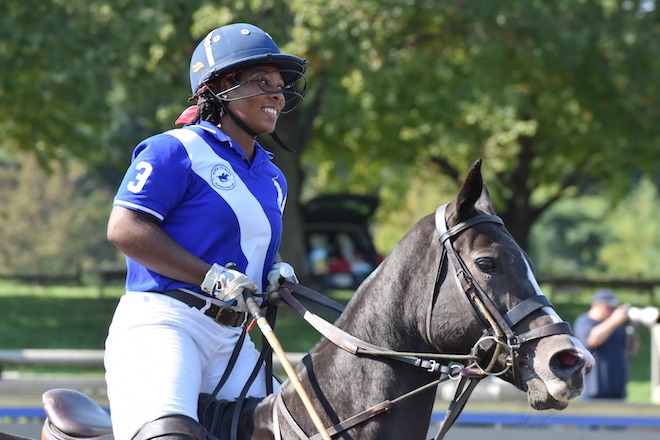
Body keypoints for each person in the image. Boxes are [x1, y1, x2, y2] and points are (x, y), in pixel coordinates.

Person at [104, 23, 307, 440]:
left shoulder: (272, 176)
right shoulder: (174, 149)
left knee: (294, 430)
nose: (277, 94)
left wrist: (276, 270)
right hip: (165, 323)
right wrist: (209, 276)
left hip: (234, 336)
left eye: (280, 86)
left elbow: (247, 246)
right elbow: (125, 228)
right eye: (263, 83)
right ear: (221, 88)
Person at [573, 289, 639, 400]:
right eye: (610, 308)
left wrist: (633, 328)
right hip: (594, 390)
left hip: (617, 390)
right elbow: (591, 340)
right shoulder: (584, 321)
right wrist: (614, 320)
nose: (613, 311)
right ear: (598, 305)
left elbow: (631, 351)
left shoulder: (614, 327)